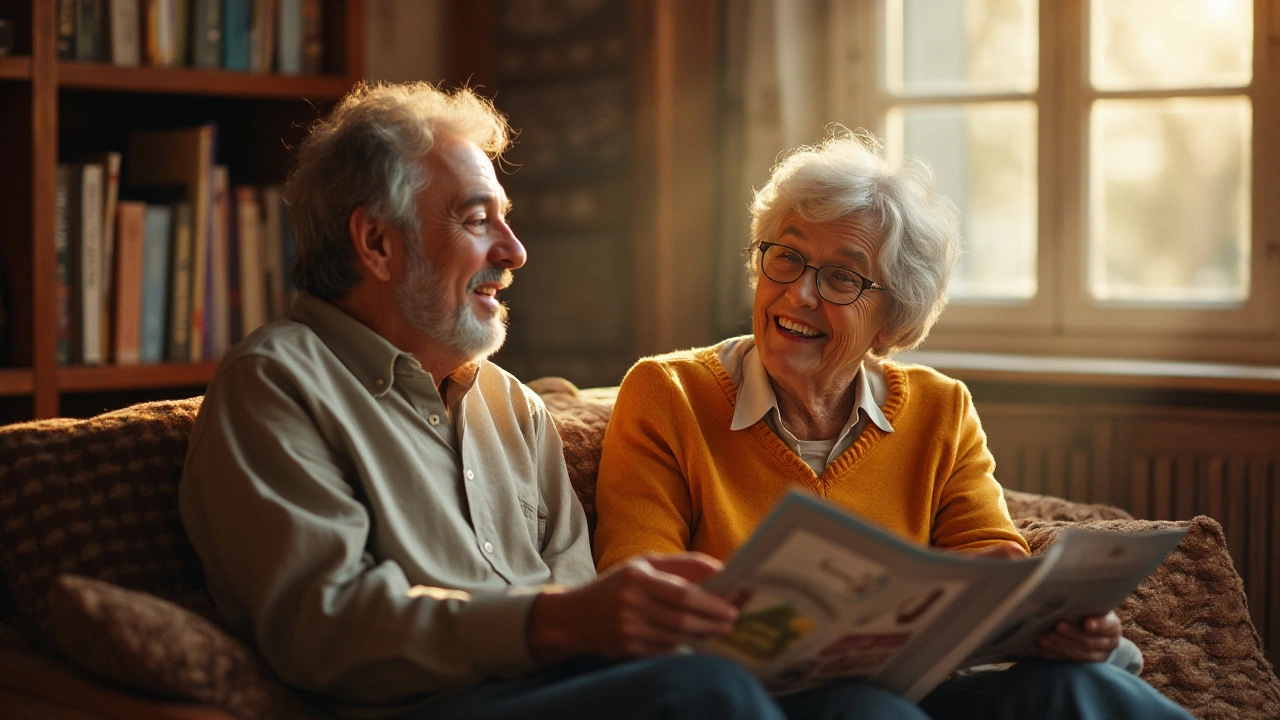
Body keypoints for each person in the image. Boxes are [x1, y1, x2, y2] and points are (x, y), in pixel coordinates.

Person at [179, 81, 814, 720]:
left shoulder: (510, 405)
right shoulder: (277, 383)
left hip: (563, 689)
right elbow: (324, 630)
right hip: (420, 705)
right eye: (478, 220)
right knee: (708, 695)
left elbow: (577, 597)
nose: (514, 252)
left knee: (855, 704)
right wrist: (558, 621)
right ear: (376, 243)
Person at [591, 129, 1195, 720]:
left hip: (927, 685)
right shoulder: (668, 393)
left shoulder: (940, 409)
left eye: (842, 277)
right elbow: (637, 582)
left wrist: (1061, 628)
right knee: (863, 707)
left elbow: (990, 558)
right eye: (788, 257)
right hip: (754, 697)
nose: (799, 294)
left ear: (891, 322)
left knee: (1080, 687)